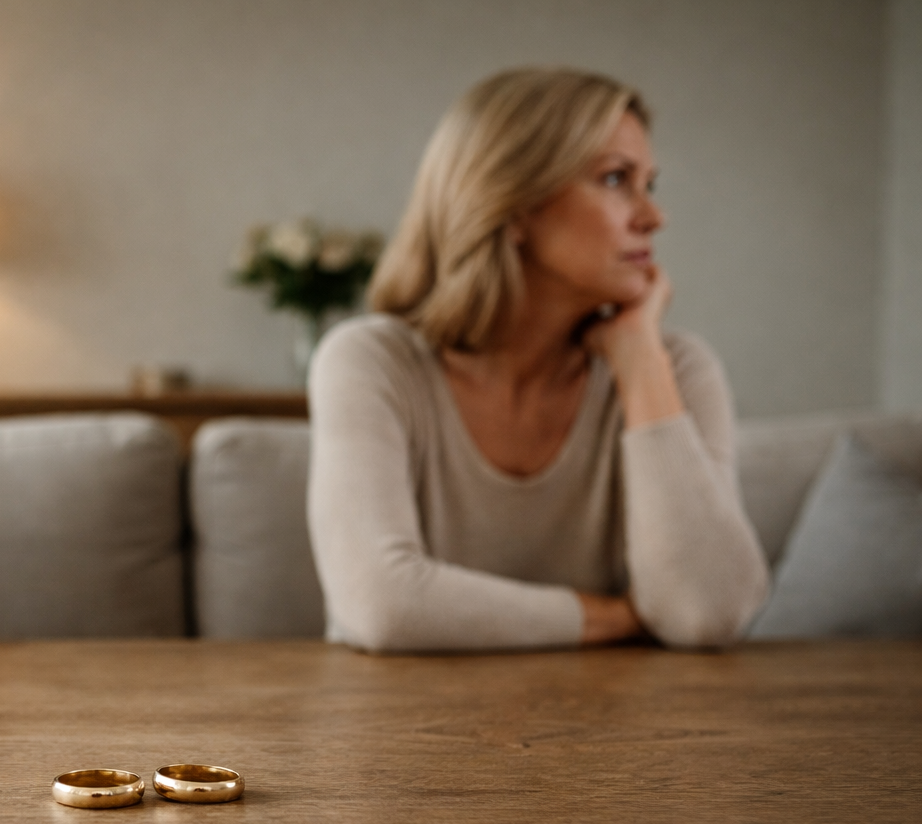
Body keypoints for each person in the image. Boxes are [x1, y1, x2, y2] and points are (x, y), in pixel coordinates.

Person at [307, 67, 768, 653]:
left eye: (649, 183)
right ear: (513, 204)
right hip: (395, 735)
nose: (654, 217)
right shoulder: (370, 362)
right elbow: (385, 607)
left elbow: (708, 612)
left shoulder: (678, 367)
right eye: (615, 179)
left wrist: (640, 362)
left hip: (626, 736)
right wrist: (619, 618)